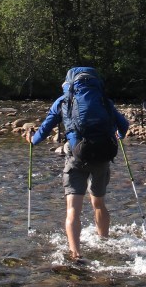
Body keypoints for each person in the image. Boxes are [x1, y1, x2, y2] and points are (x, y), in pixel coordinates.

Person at [24, 67, 130, 262]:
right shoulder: (104, 101)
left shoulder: (64, 101)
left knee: (73, 208)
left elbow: (45, 130)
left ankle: (76, 253)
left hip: (77, 158)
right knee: (98, 203)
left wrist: (32, 140)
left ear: (70, 82)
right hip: (103, 157)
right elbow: (124, 126)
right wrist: (119, 136)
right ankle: (104, 242)